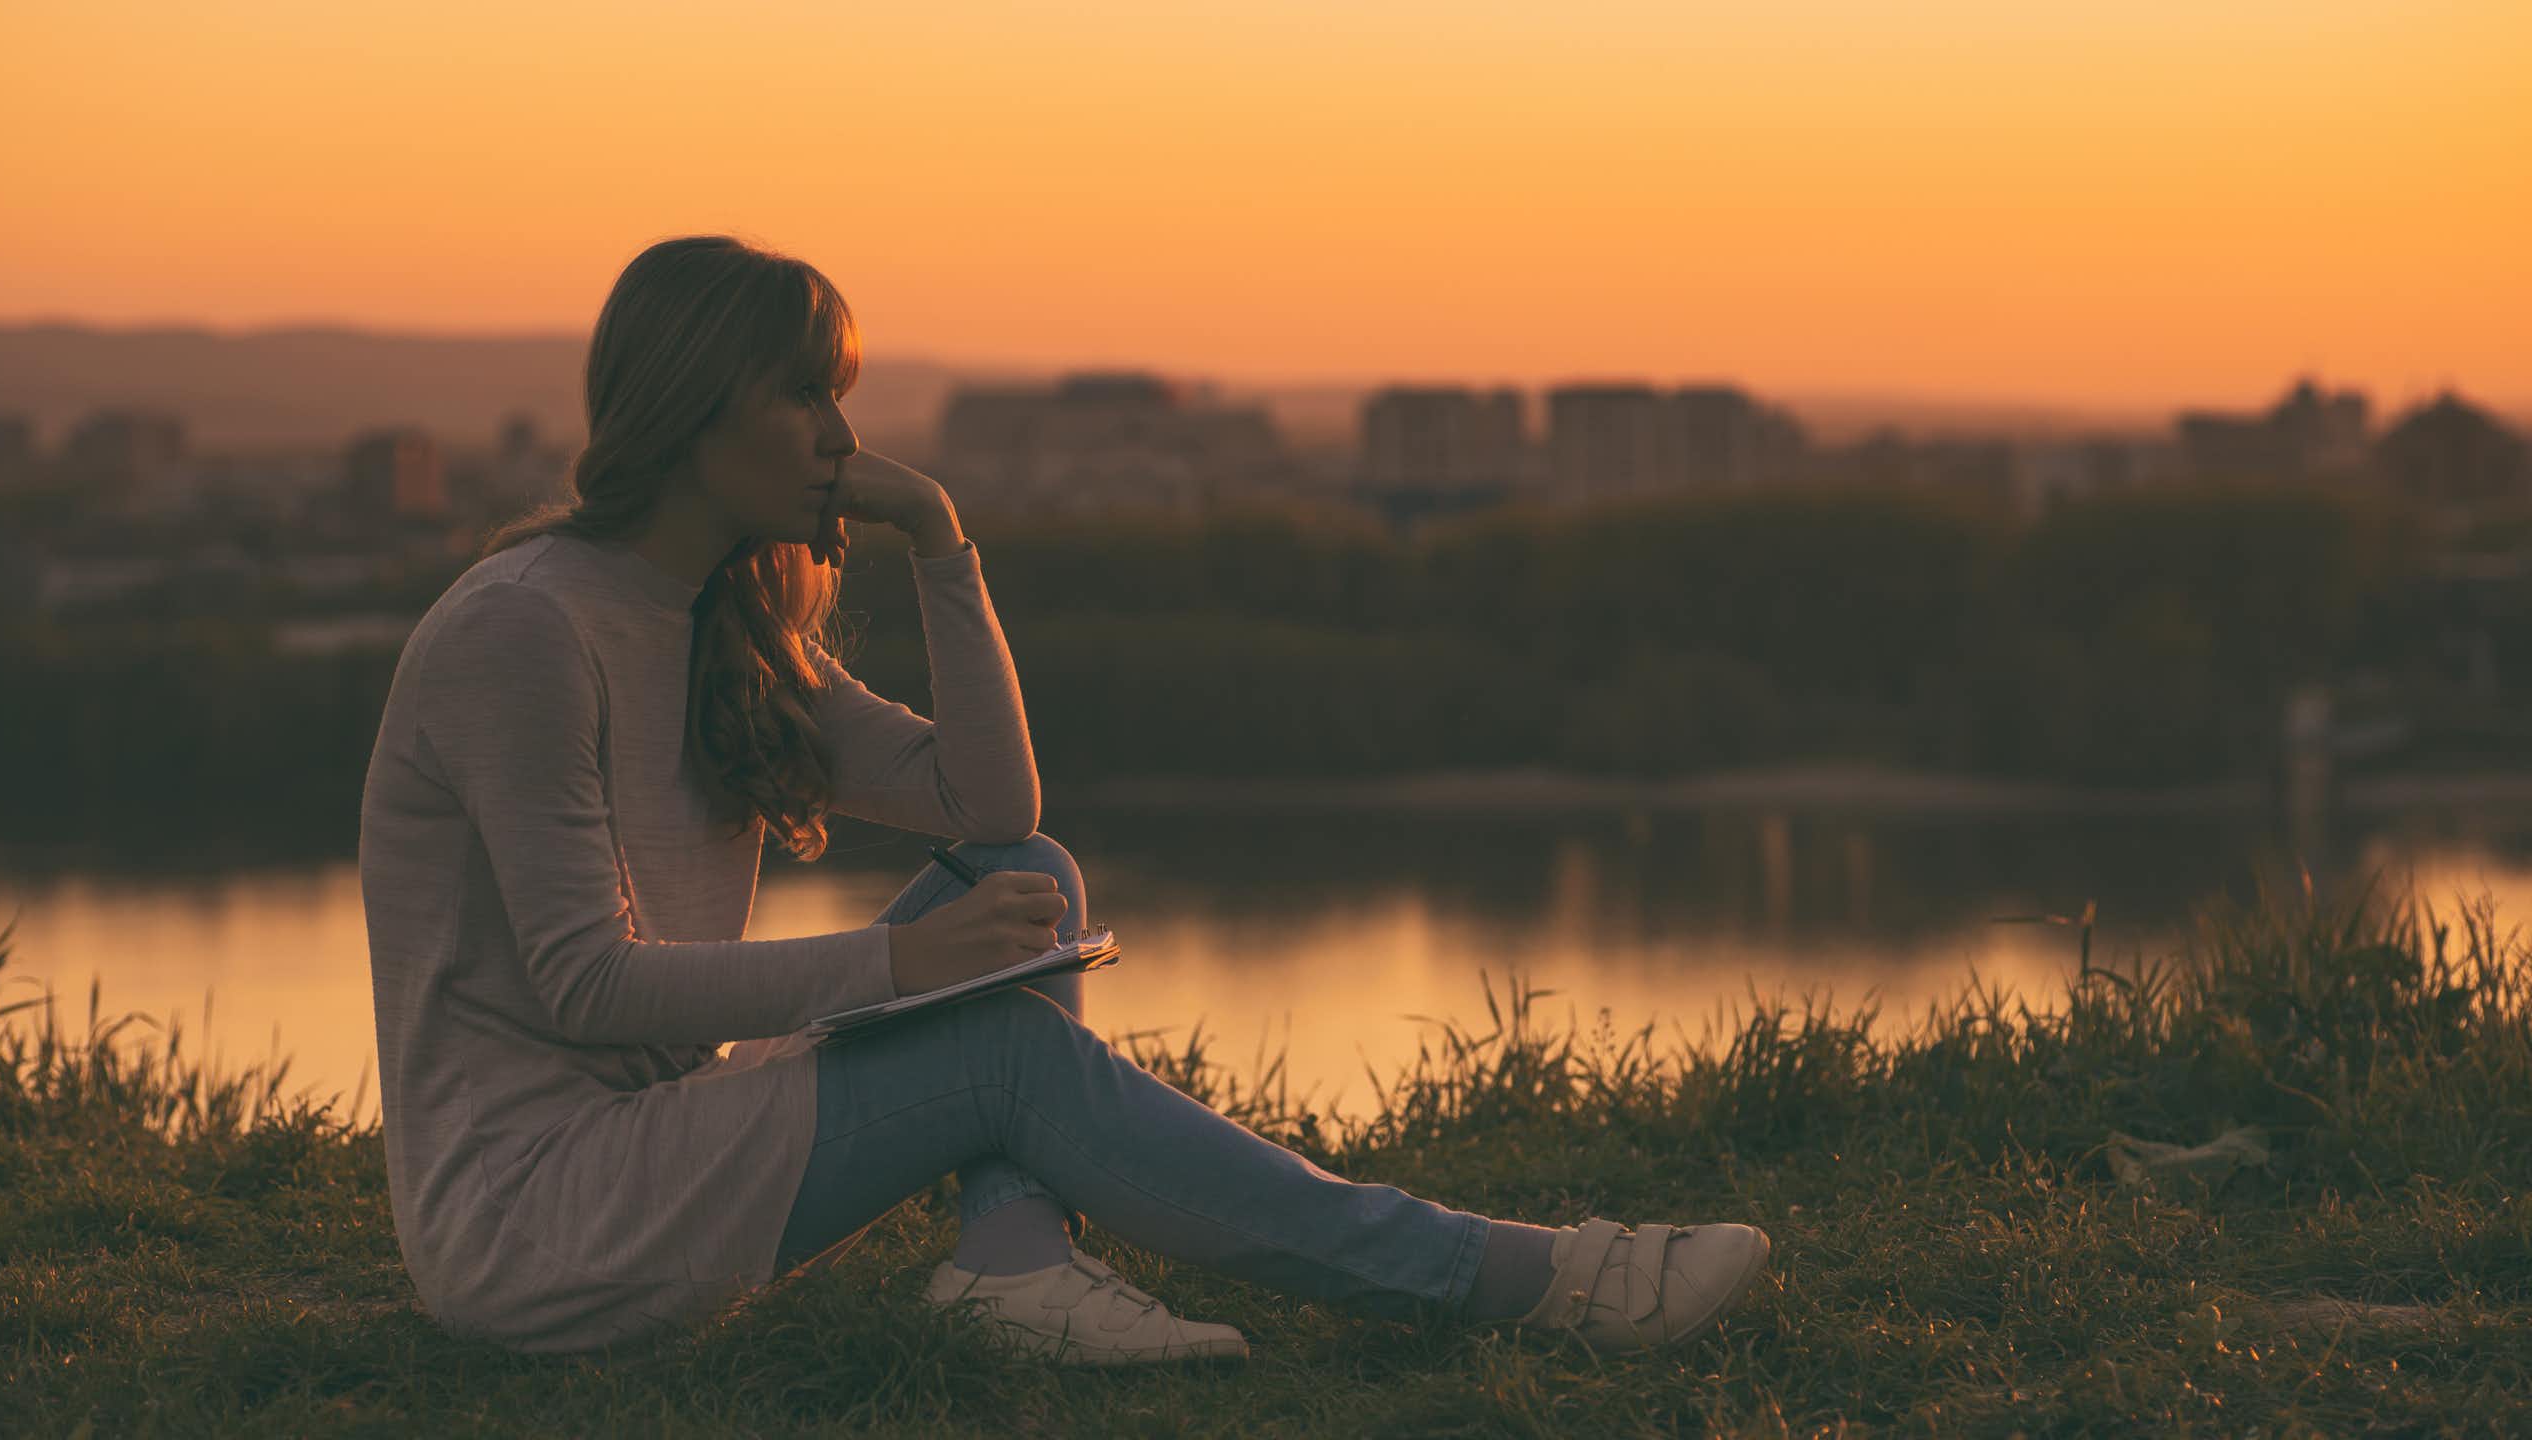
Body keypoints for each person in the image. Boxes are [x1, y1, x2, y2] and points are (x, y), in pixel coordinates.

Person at [357, 234, 1771, 1362]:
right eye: (802, 393)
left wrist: (939, 542)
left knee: (1026, 873)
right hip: (531, 1224)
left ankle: (1016, 1268)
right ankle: (1532, 1282)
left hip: (658, 1162)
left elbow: (987, 801)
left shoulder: (723, 626)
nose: (837, 433)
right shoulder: (524, 632)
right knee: (1008, 1054)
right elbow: (585, 990)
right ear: (690, 408)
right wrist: (905, 966)